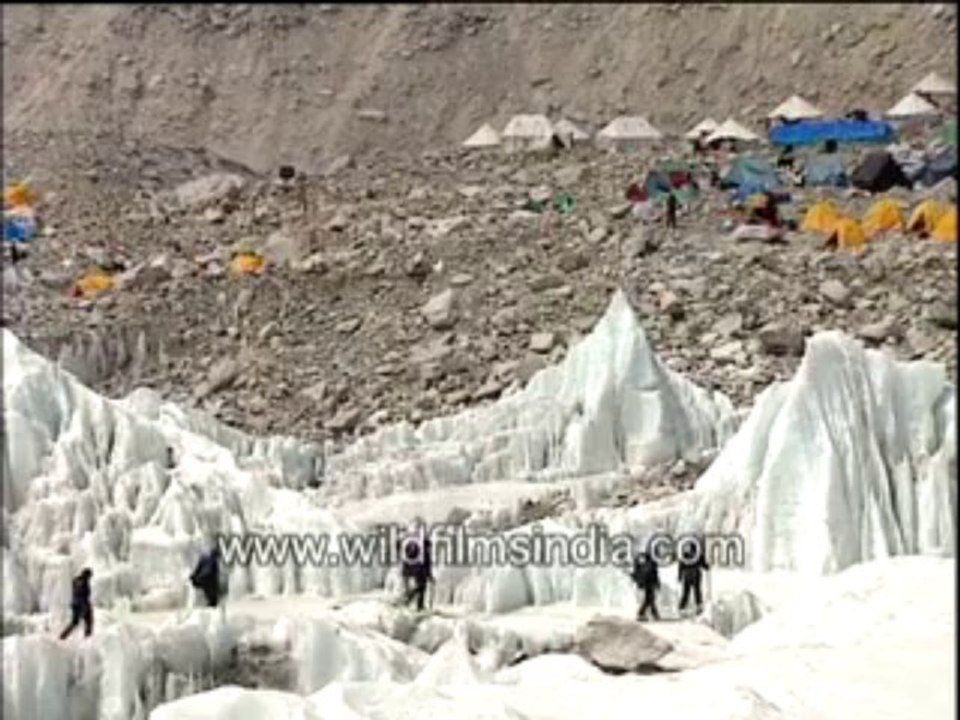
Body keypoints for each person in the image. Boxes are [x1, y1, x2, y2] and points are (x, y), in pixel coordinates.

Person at [397, 519, 433, 612]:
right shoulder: (418, 541)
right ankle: (409, 600)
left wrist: (429, 573)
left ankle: (416, 604)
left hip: (420, 568)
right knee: (420, 586)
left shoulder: (422, 541)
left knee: (421, 587)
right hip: (418, 568)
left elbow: (427, 559)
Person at [677, 540, 710, 616]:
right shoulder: (698, 555)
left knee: (686, 592)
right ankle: (698, 607)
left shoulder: (684, 555)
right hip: (696, 574)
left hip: (687, 575)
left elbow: (681, 567)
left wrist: (680, 577)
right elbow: (705, 566)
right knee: (697, 591)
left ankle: (682, 607)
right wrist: (708, 566)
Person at [59, 568, 94, 640]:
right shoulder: (84, 582)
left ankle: (63, 635)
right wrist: (86, 604)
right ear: (86, 575)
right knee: (87, 621)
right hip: (82, 604)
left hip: (75, 604)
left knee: (76, 622)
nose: (90, 578)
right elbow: (84, 594)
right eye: (89, 576)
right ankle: (87, 637)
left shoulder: (76, 580)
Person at [631, 550, 660, 621]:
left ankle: (645, 614)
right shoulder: (641, 565)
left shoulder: (651, 564)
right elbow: (638, 574)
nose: (641, 559)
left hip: (650, 583)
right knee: (650, 599)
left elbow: (655, 575)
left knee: (649, 599)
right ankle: (650, 614)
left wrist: (657, 583)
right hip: (647, 584)